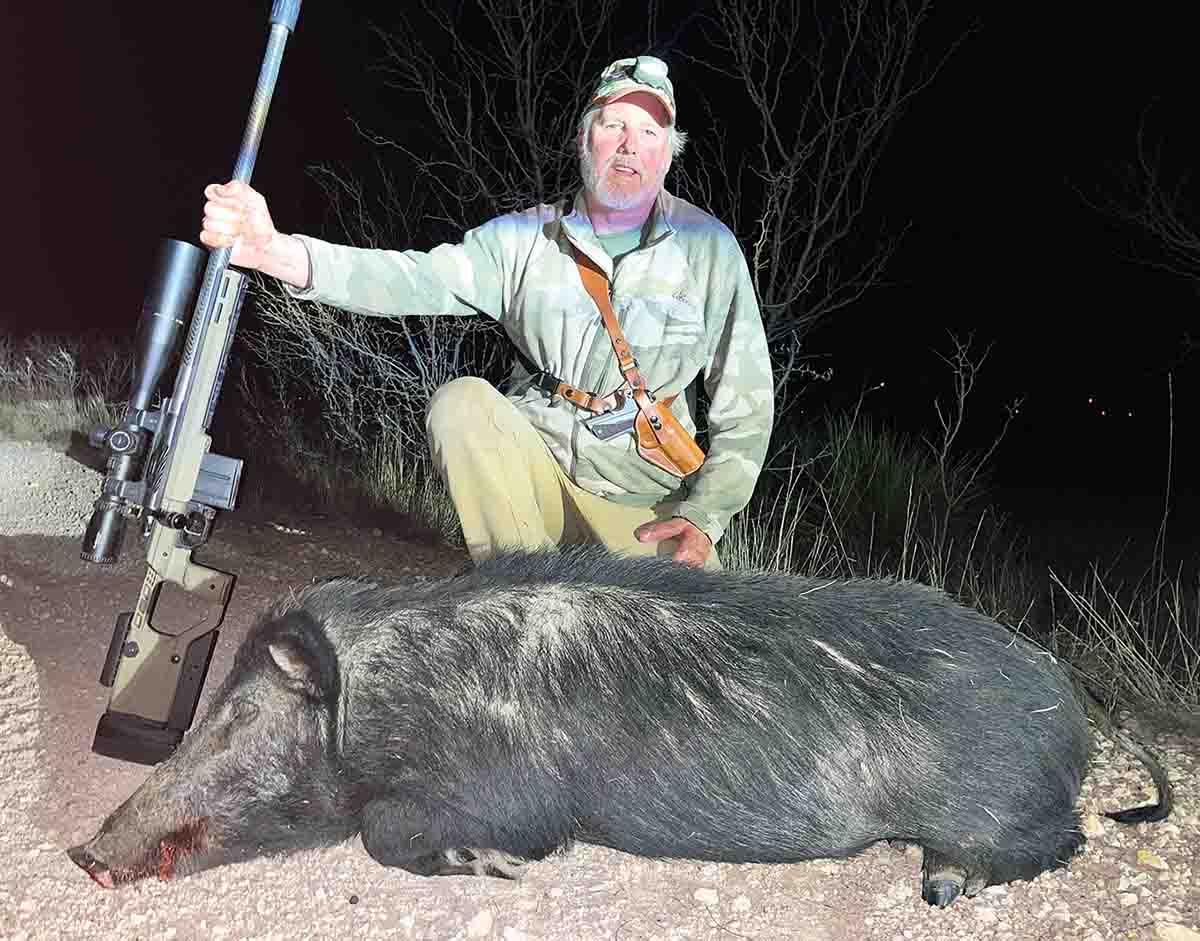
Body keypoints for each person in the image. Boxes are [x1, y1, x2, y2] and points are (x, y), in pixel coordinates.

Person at [201, 55, 773, 569]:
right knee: (463, 403)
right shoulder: (524, 238)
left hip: (648, 504)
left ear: (667, 156)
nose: (630, 144)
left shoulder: (709, 247)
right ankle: (519, 595)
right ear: (585, 138)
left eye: (650, 132)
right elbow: (413, 279)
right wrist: (275, 250)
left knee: (688, 666)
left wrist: (705, 517)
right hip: (535, 483)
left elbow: (746, 405)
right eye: (614, 124)